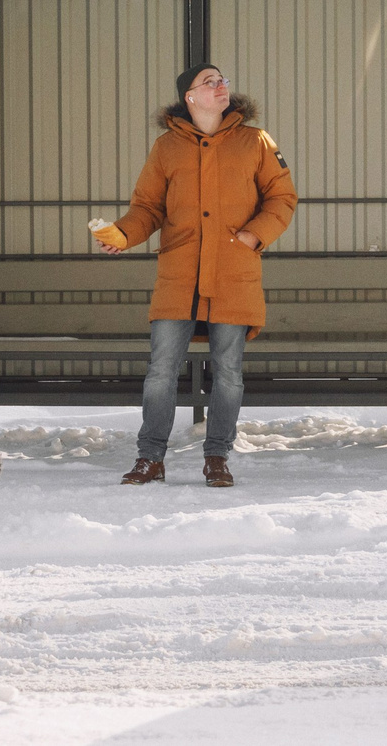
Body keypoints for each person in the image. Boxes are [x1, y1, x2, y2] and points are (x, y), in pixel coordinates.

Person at [91, 64, 297, 486]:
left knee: (228, 372)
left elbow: (282, 196)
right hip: (179, 275)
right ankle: (150, 458)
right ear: (190, 96)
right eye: (211, 82)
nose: (221, 86)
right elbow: (148, 207)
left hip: (233, 273)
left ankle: (218, 456)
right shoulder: (166, 147)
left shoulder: (255, 141)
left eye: (223, 80)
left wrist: (254, 236)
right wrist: (124, 234)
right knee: (161, 371)